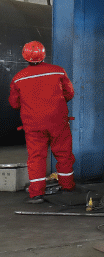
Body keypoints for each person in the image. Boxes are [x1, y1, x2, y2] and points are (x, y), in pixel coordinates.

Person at [9, 41, 76, 205]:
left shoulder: (18, 78)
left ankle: (36, 194)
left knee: (36, 157)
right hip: (58, 121)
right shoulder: (58, 71)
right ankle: (67, 187)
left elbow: (14, 103)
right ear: (44, 54)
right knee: (64, 154)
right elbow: (69, 93)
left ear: (25, 57)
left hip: (33, 125)